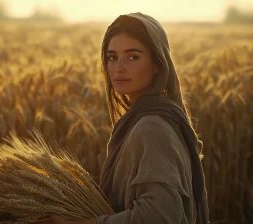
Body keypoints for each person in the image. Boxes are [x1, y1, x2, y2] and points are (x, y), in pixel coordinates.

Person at [44, 12, 209, 224]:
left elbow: (160, 217)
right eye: (112, 57)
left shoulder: (151, 128)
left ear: (158, 63)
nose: (119, 68)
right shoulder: (153, 119)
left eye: (133, 57)